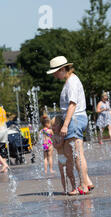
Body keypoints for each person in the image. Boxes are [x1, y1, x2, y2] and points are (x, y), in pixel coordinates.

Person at [47, 56, 94, 195]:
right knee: (75, 154)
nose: (55, 75)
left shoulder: (72, 82)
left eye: (56, 72)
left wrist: (65, 124)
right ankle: (88, 182)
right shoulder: (69, 81)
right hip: (74, 119)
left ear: (62, 69)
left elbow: (72, 104)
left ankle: (84, 185)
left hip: (74, 119)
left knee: (77, 154)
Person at [51, 116, 76, 195]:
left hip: (68, 158)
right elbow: (55, 146)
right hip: (60, 158)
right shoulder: (54, 136)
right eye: (52, 126)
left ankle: (74, 188)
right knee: (63, 175)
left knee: (70, 173)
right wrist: (61, 142)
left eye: (55, 125)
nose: (53, 127)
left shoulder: (65, 134)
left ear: (61, 125)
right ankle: (65, 189)